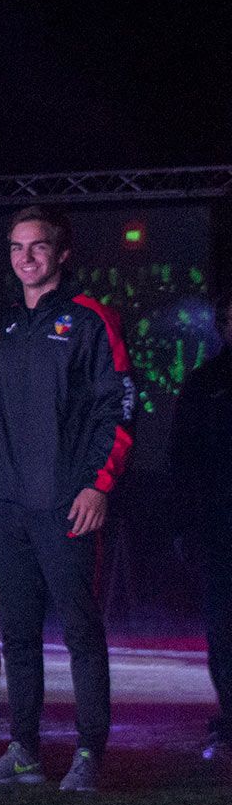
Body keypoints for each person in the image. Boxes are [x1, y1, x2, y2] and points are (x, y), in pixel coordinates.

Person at [0, 206, 135, 792]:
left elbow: (118, 405)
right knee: (16, 634)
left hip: (66, 502)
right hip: (9, 505)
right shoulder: (11, 325)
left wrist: (99, 484)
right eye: (16, 248)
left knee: (80, 632)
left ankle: (90, 752)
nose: (26, 258)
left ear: (61, 253)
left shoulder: (91, 319)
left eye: (37, 247)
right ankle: (24, 751)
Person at [171, 287, 232, 764]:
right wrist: (184, 525)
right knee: (223, 631)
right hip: (219, 529)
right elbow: (182, 459)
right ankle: (229, 719)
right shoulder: (204, 382)